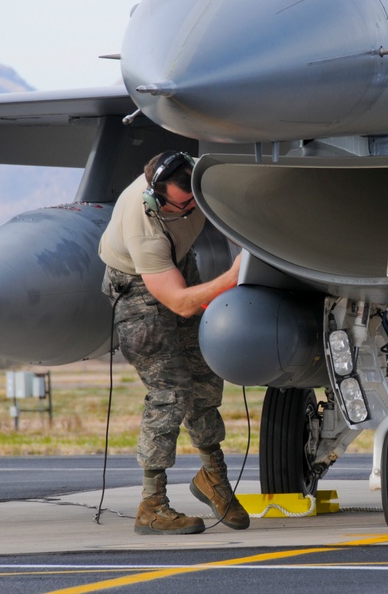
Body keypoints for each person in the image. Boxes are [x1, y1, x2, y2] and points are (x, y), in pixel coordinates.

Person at [98, 150, 250, 535]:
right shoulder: (144, 224)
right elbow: (181, 303)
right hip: (136, 288)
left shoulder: (204, 182)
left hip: (178, 263)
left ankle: (211, 476)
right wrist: (233, 277)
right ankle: (152, 506)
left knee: (204, 375)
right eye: (180, 205)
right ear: (155, 196)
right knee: (171, 390)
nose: (188, 209)